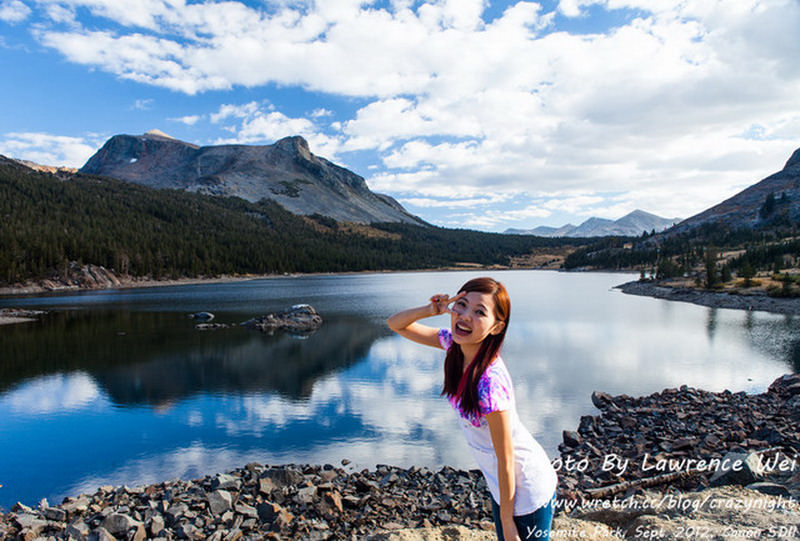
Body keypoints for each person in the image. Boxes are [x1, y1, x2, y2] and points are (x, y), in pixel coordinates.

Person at [387, 277, 557, 541]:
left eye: (479, 312)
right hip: (503, 484)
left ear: (497, 327)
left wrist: (506, 520)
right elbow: (395, 324)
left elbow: (506, 458)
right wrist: (431, 310)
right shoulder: (454, 346)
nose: (465, 316)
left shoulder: (489, 383)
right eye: (462, 305)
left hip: (525, 487)